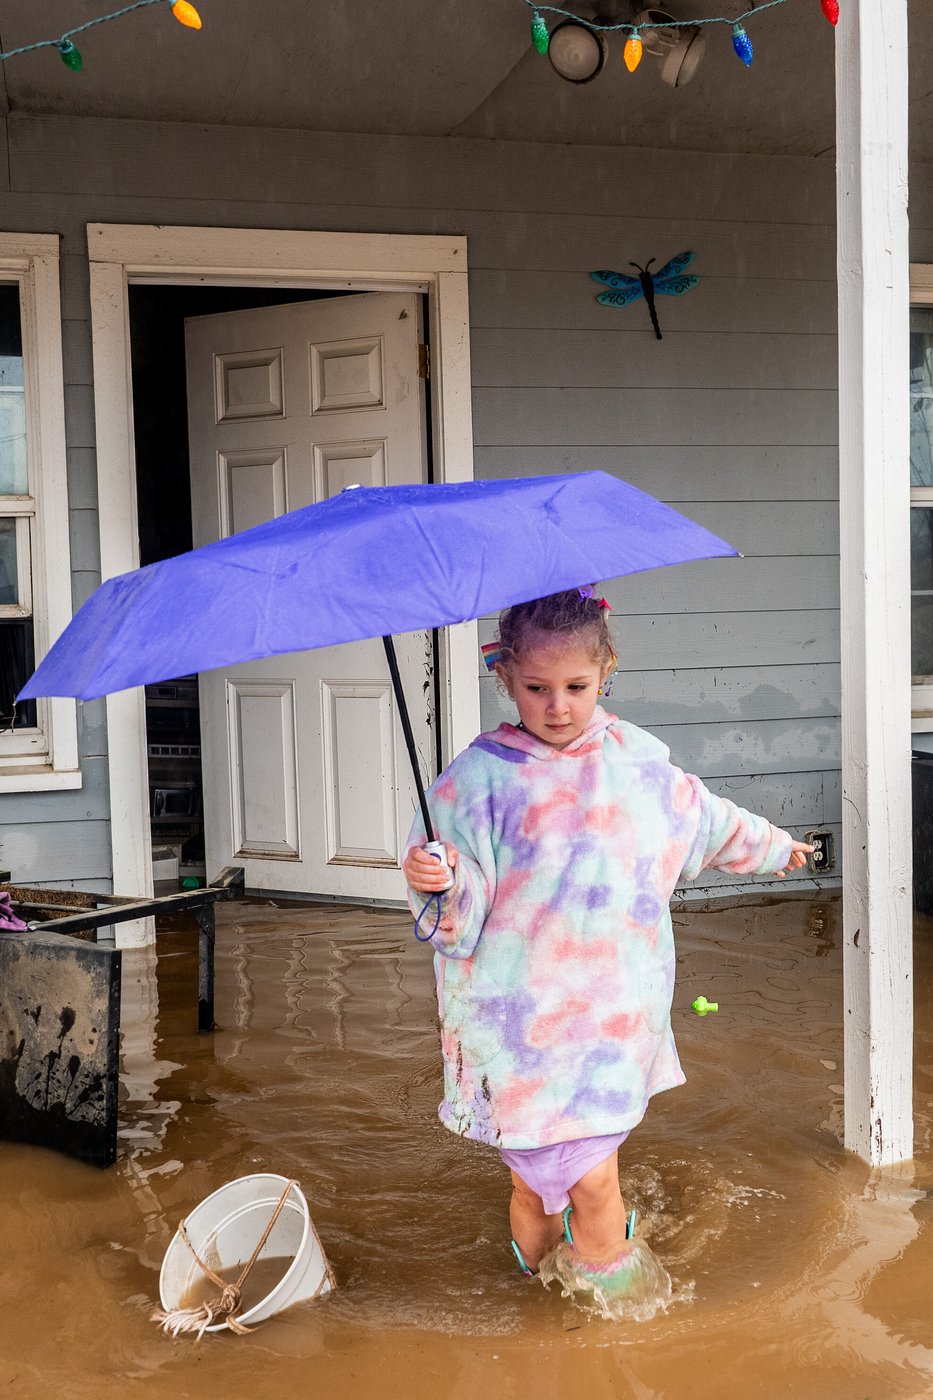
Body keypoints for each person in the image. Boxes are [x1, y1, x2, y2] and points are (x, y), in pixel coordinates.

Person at [402, 587, 811, 1294]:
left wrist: (776, 846)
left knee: (591, 1181)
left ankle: (613, 1317)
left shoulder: (638, 764)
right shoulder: (472, 784)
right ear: (502, 677)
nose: (556, 705)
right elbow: (452, 903)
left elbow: (706, 821)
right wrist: (435, 877)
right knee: (531, 1188)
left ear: (606, 672)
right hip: (517, 1028)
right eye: (535, 688)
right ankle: (538, 1290)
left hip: (604, 1021)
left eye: (574, 687)